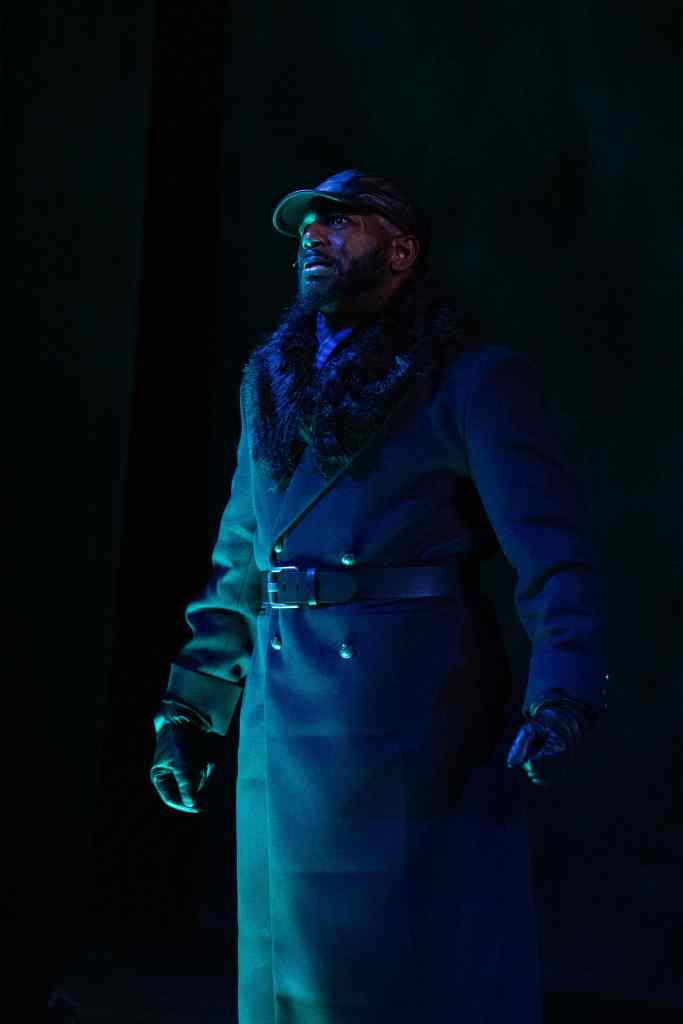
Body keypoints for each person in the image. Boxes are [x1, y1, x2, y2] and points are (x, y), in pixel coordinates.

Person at [150, 169, 611, 1023]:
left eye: (341, 221)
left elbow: (553, 554)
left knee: (395, 971)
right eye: (307, 224)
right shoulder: (267, 382)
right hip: (281, 714)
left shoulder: (467, 379)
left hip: (406, 714)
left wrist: (562, 691)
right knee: (290, 971)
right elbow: (242, 557)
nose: (313, 233)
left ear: (400, 252)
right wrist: (192, 709)